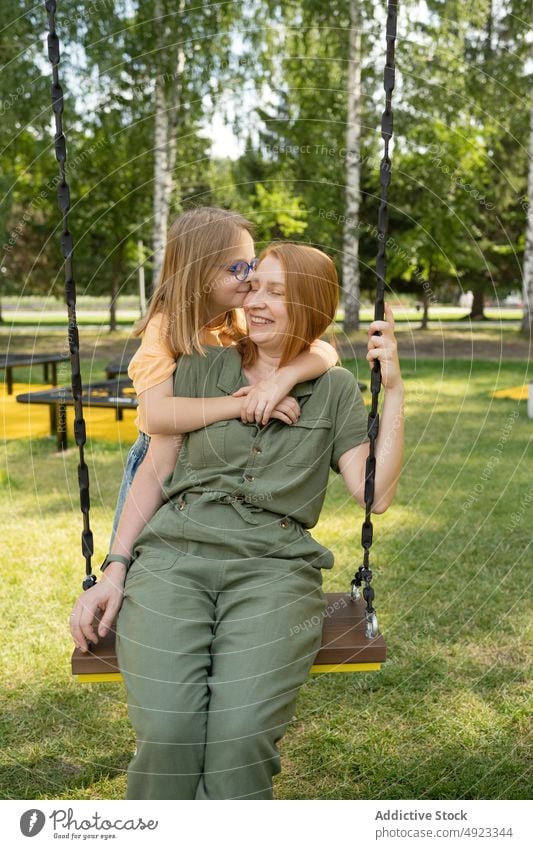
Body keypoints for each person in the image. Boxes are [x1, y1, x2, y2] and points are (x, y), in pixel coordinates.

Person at [70, 242, 404, 800]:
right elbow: (153, 472)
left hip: (273, 569)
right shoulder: (201, 366)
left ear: (313, 306)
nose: (257, 301)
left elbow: (376, 495)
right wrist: (114, 568)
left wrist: (392, 390)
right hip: (172, 559)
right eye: (255, 287)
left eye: (278, 292)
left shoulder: (336, 389)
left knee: (239, 741)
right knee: (169, 734)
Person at [106, 206, 339, 552]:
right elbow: (157, 415)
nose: (249, 278)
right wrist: (243, 402)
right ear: (198, 273)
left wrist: (281, 380)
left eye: (252, 265)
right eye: (237, 268)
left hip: (214, 459)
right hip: (159, 462)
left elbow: (325, 352)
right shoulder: (165, 329)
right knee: (133, 556)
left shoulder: (238, 321)